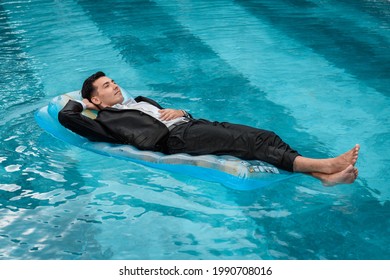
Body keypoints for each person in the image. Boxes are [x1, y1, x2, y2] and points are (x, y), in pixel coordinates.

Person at [58, 71, 359, 186]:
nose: (115, 85)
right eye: (107, 86)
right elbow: (67, 116)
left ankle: (323, 177)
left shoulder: (138, 100)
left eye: (113, 81)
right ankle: (326, 165)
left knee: (265, 135)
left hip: (191, 124)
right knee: (247, 145)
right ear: (96, 98)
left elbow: (171, 114)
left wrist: (183, 111)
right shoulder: (104, 119)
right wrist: (86, 103)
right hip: (174, 139)